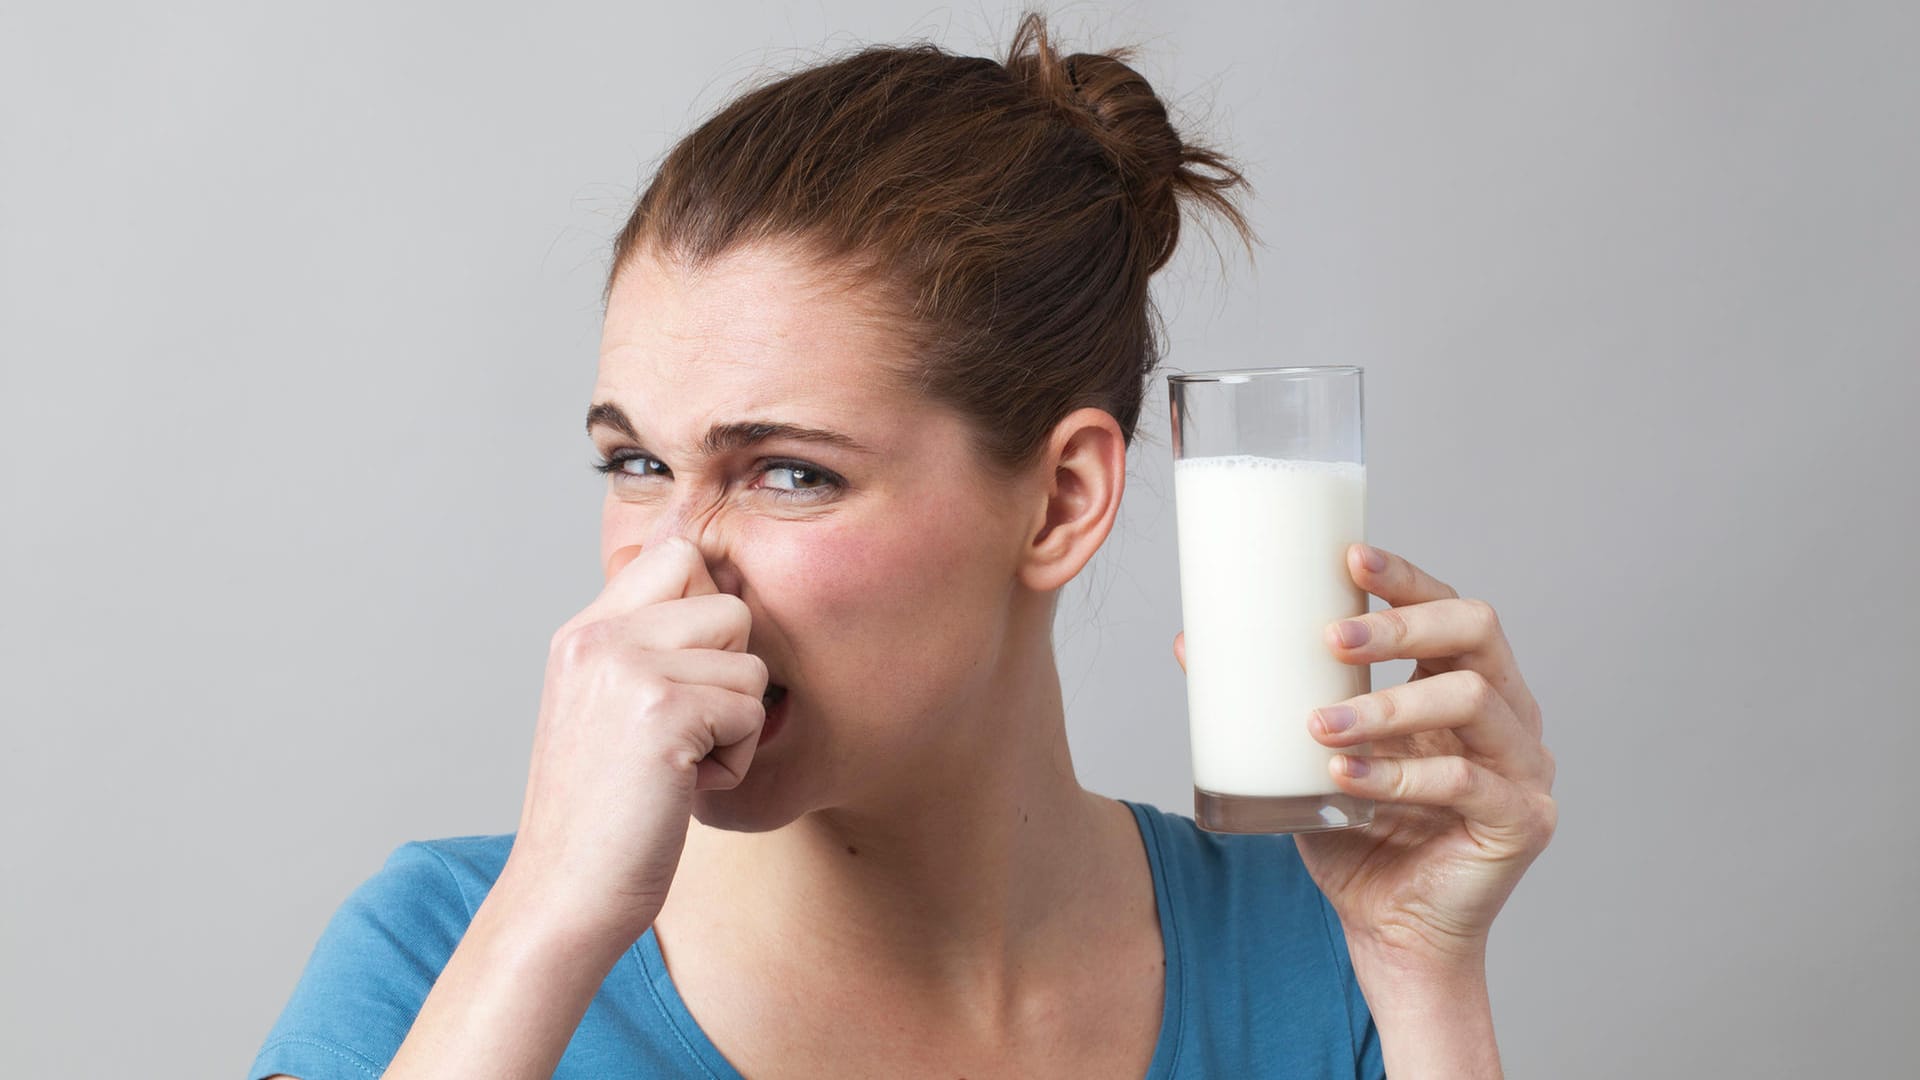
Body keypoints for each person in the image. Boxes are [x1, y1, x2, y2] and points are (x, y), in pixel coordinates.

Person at [250, 12, 1556, 1079]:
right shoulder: (442, 965)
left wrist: (1421, 980)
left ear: (1058, 504)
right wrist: (548, 925)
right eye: (637, 465)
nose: (671, 569)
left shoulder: (1314, 950)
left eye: (789, 472)